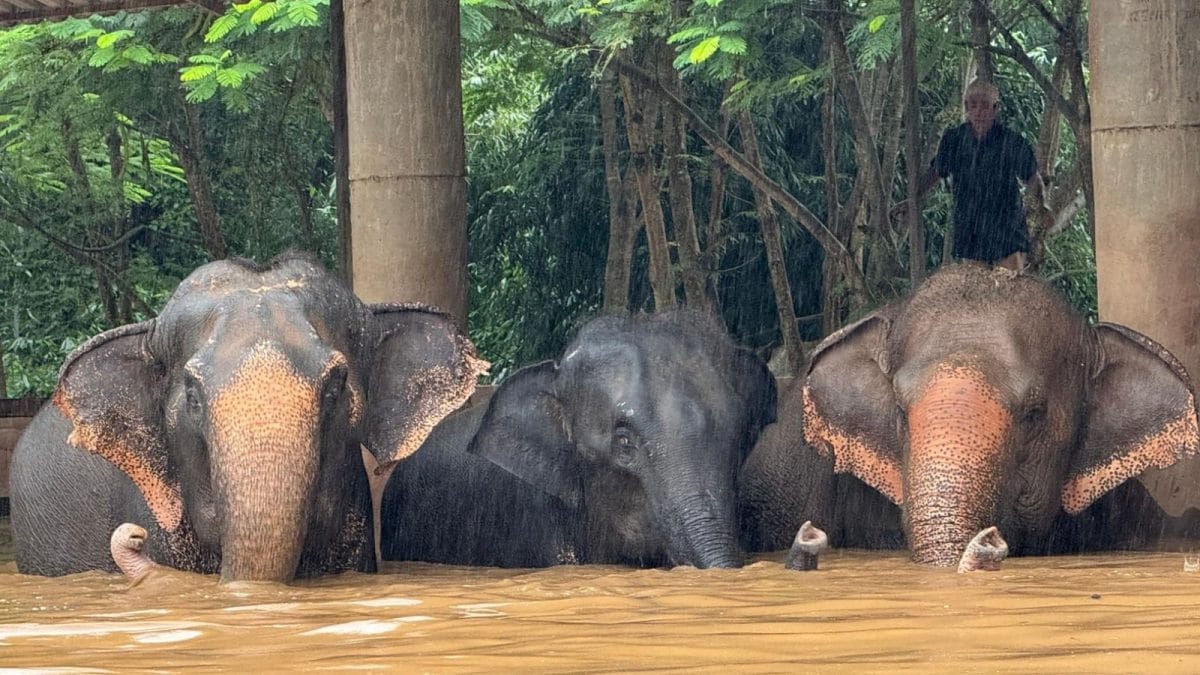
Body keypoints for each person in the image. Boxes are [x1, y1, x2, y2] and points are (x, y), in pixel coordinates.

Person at [891, 78, 1051, 271]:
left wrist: (1042, 207)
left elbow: (1033, 178)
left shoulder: (1012, 142)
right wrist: (912, 199)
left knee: (1011, 289)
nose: (979, 112)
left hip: (1007, 228)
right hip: (970, 228)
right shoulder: (954, 139)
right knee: (975, 292)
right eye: (973, 106)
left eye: (984, 106)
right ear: (966, 107)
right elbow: (936, 172)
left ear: (995, 108)